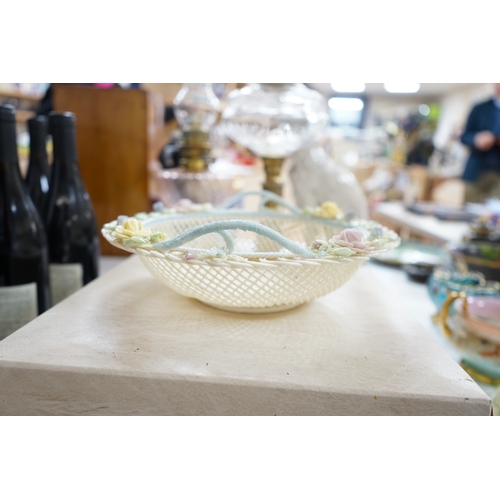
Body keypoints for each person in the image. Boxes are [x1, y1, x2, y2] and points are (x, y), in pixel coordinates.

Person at [460, 83, 500, 202]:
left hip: (498, 173)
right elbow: (464, 136)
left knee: (494, 215)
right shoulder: (479, 108)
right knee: (469, 210)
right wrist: (476, 138)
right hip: (476, 169)